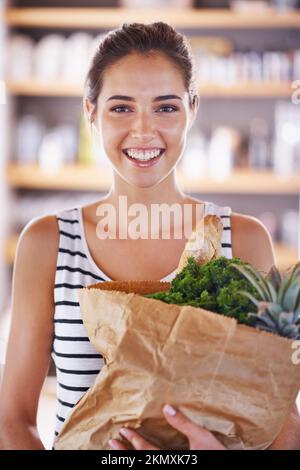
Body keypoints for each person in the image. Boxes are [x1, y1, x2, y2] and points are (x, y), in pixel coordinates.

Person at [0, 22, 299, 450]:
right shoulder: (48, 243)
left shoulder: (244, 240)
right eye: (121, 108)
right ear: (91, 112)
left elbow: (284, 421)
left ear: (192, 109)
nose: (143, 131)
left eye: (166, 107)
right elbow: (12, 422)